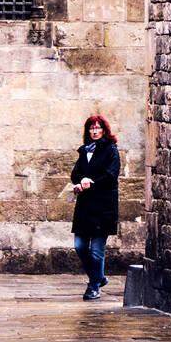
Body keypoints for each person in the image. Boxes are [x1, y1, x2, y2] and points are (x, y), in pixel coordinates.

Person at [69, 114, 120, 300]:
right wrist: (80, 180)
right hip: (85, 207)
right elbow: (76, 173)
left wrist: (92, 183)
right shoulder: (84, 151)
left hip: (103, 207)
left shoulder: (111, 150)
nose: (94, 131)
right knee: (80, 246)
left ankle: (93, 287)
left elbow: (111, 175)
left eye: (98, 128)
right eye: (91, 128)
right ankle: (99, 276)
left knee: (97, 250)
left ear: (104, 130)